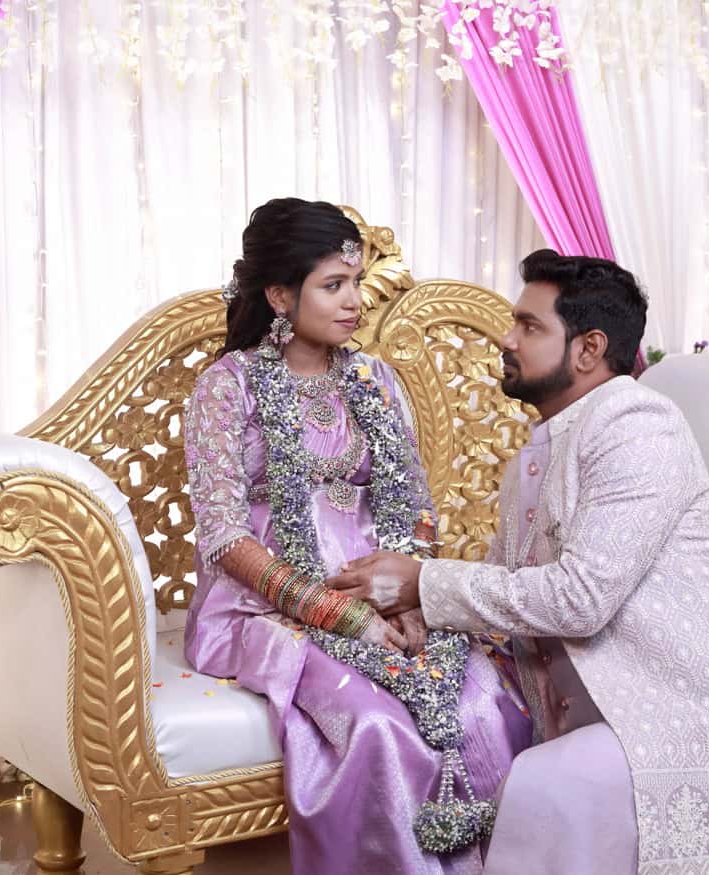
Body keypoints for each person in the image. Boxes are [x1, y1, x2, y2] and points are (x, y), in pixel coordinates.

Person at [327, 250, 709, 874]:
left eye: (528, 327)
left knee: (546, 784)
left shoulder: (637, 426)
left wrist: (424, 581)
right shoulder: (542, 447)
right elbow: (507, 593)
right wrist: (420, 614)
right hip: (608, 716)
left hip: (687, 710)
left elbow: (580, 598)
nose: (505, 340)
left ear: (589, 348)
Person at [182, 198, 532, 874]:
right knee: (375, 723)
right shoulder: (227, 388)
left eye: (355, 282)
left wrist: (412, 593)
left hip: (387, 587)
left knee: (484, 700)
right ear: (281, 294)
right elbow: (223, 534)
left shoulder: (374, 378)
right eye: (333, 284)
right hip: (270, 602)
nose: (354, 302)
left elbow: (418, 509)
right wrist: (332, 610)